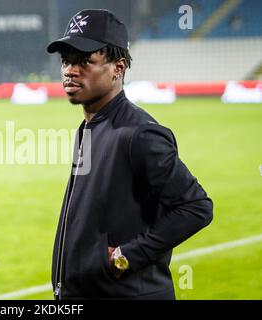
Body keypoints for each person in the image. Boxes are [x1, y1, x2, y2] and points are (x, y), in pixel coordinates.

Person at [47, 9, 213, 300]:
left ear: (118, 68)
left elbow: (196, 207)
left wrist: (125, 257)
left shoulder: (140, 133)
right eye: (66, 61)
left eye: (84, 61)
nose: (70, 70)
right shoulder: (89, 126)